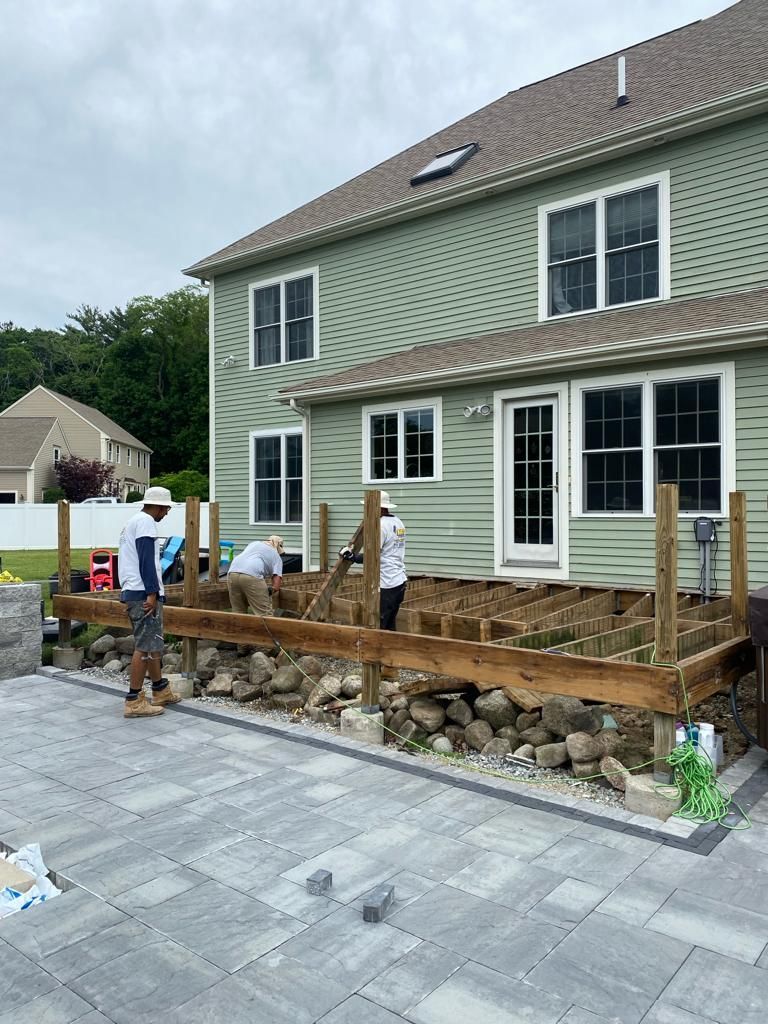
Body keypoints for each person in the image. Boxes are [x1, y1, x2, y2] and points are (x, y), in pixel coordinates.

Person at [118, 485, 181, 718]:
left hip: (135, 589)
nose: (166, 513)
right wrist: (152, 594)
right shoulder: (145, 523)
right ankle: (134, 700)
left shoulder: (133, 522)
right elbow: (146, 560)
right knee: (144, 647)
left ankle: (160, 689)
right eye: (166, 508)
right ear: (158, 506)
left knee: (152, 642)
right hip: (143, 592)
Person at [340, 490, 407, 630]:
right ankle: (389, 651)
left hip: (386, 584)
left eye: (368, 507)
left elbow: (372, 556)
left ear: (378, 507)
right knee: (389, 624)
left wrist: (351, 557)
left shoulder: (380, 526)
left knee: (379, 626)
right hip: (399, 581)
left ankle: (380, 652)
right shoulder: (397, 521)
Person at [227, 534, 284, 617]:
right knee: (264, 614)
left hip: (232, 573)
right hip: (251, 575)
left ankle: (239, 629)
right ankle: (267, 630)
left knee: (238, 611)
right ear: (278, 547)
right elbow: (277, 580)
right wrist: (272, 590)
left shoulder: (254, 543)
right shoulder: (276, 556)